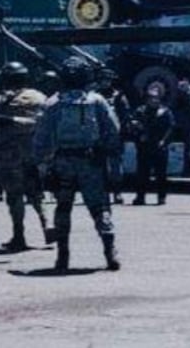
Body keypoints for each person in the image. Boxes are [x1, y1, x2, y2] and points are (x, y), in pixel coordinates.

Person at [34, 57, 123, 271]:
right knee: (99, 207)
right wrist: (109, 153)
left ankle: (62, 256)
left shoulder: (53, 102)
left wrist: (40, 162)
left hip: (62, 162)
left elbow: (42, 136)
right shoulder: (97, 100)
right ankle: (110, 252)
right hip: (91, 162)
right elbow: (113, 130)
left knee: (63, 208)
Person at [0, 62, 52, 251]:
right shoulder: (39, 97)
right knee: (36, 193)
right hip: (32, 152)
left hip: (8, 154)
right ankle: (47, 224)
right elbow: (46, 124)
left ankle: (19, 235)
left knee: (14, 196)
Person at [132, 87, 175, 206]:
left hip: (159, 146)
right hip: (144, 146)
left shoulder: (165, 111)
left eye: (156, 97)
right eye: (151, 97)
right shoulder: (140, 111)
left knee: (161, 174)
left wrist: (164, 141)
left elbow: (170, 128)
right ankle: (140, 197)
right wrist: (138, 132)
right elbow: (133, 124)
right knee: (142, 173)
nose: (153, 100)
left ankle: (161, 197)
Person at [93, 68, 131, 205]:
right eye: (103, 80)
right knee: (99, 166)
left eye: (107, 80)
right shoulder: (93, 95)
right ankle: (103, 194)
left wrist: (124, 132)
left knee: (116, 166)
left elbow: (125, 116)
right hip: (97, 135)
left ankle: (117, 192)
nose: (105, 82)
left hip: (114, 135)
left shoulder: (119, 96)